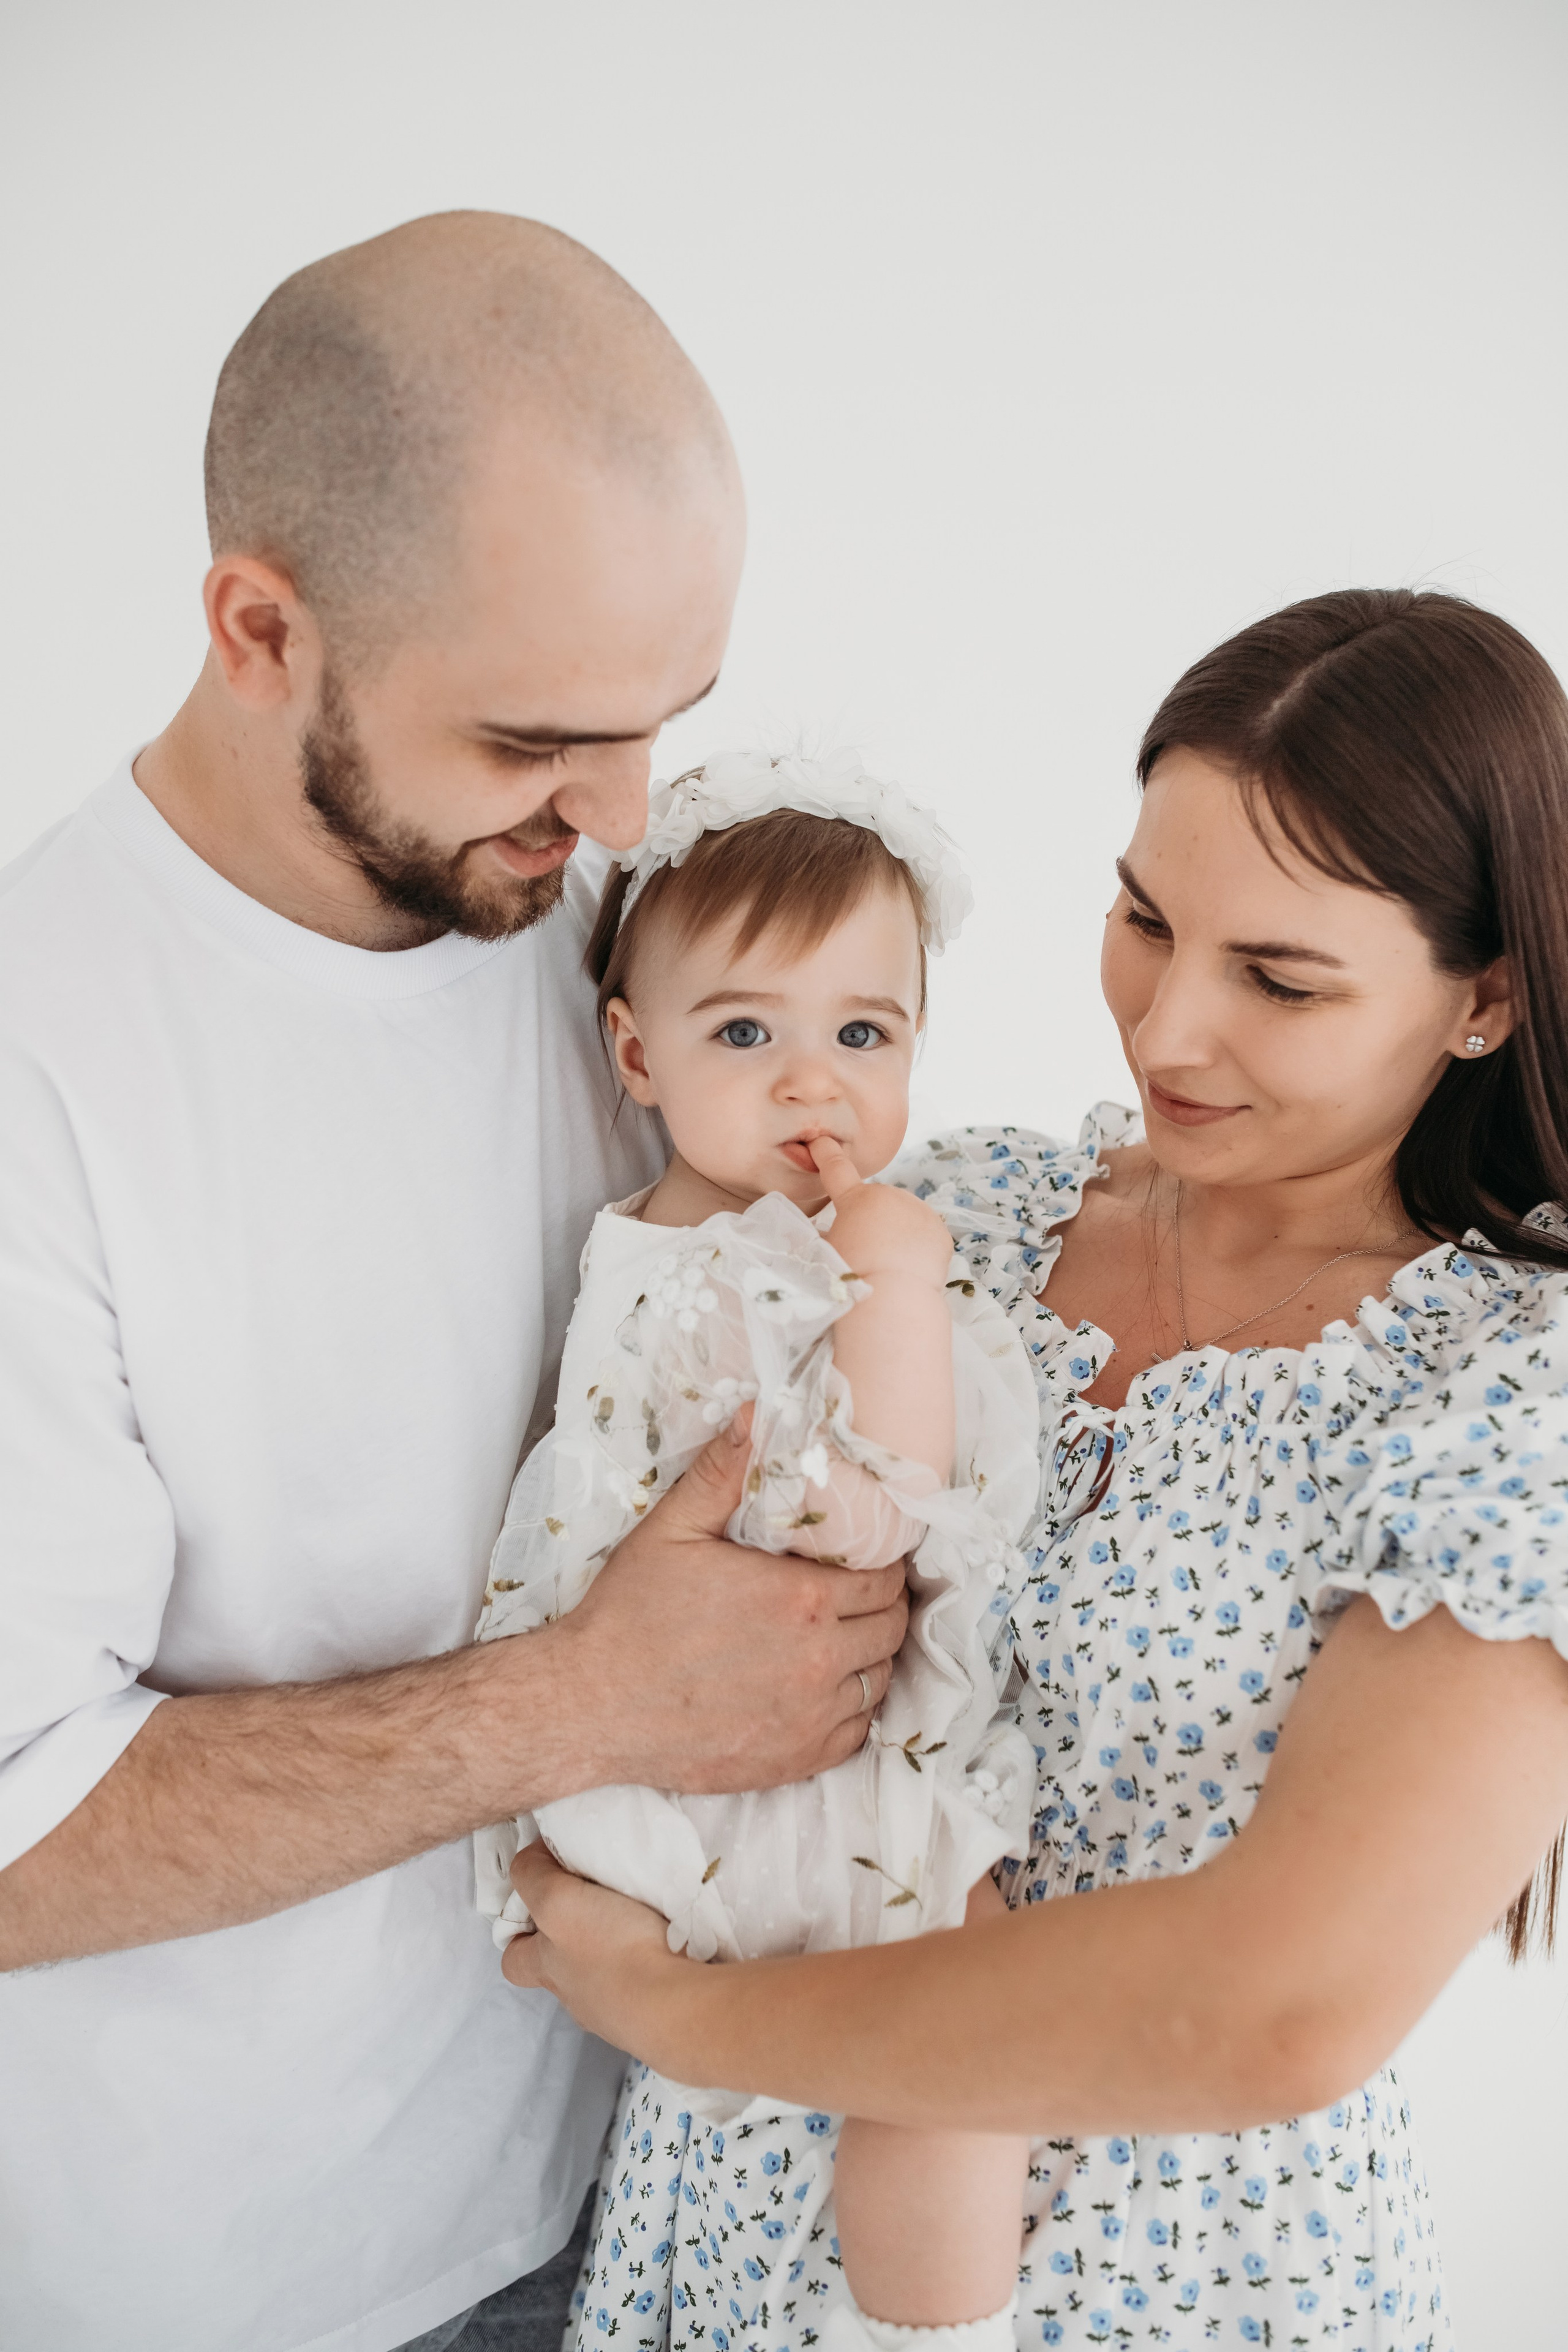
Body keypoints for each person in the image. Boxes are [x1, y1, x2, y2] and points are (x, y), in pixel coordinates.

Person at [0, 214, 910, 2352]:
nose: (619, 813)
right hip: (268, 2292)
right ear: (261, 629)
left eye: (661, 719)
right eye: (534, 741)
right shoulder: (44, 1066)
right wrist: (587, 1697)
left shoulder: (600, 919)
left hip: (662, 2184)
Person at [503, 588, 1568, 2352]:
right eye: (1146, 920)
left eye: (1281, 980)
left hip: (1163, 2285)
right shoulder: (964, 1214)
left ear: (1487, 1002)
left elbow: (1282, 2007)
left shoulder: (1510, 1390)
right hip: (720, 2242)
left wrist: (676, 2014)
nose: (1165, 1033)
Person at [472, 748, 1042, 2352]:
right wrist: (899, 1268)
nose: (815, 1085)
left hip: (668, 1780)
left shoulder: (635, 1238)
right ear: (634, 1054)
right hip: (762, 1763)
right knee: (967, 2008)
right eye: (749, 1034)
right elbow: (871, 1507)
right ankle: (931, 2331)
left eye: (864, 1034)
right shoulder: (783, 1258)